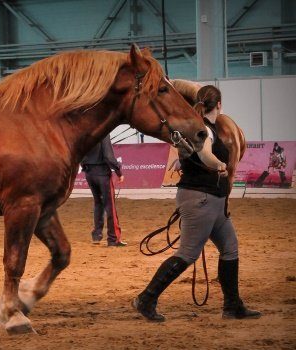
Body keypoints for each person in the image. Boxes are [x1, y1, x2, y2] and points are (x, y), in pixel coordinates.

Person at [133, 85, 261, 321]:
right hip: (201, 199)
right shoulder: (205, 130)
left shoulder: (202, 127)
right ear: (220, 105)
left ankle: (232, 306)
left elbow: (190, 156)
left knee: (230, 249)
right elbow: (206, 155)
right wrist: (220, 165)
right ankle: (146, 298)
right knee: (187, 254)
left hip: (214, 202)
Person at [81, 134, 126, 247]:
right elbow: (108, 156)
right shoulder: (104, 133)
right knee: (110, 206)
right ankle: (113, 239)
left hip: (89, 173)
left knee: (98, 203)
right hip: (102, 173)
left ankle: (97, 235)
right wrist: (118, 171)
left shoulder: (86, 132)